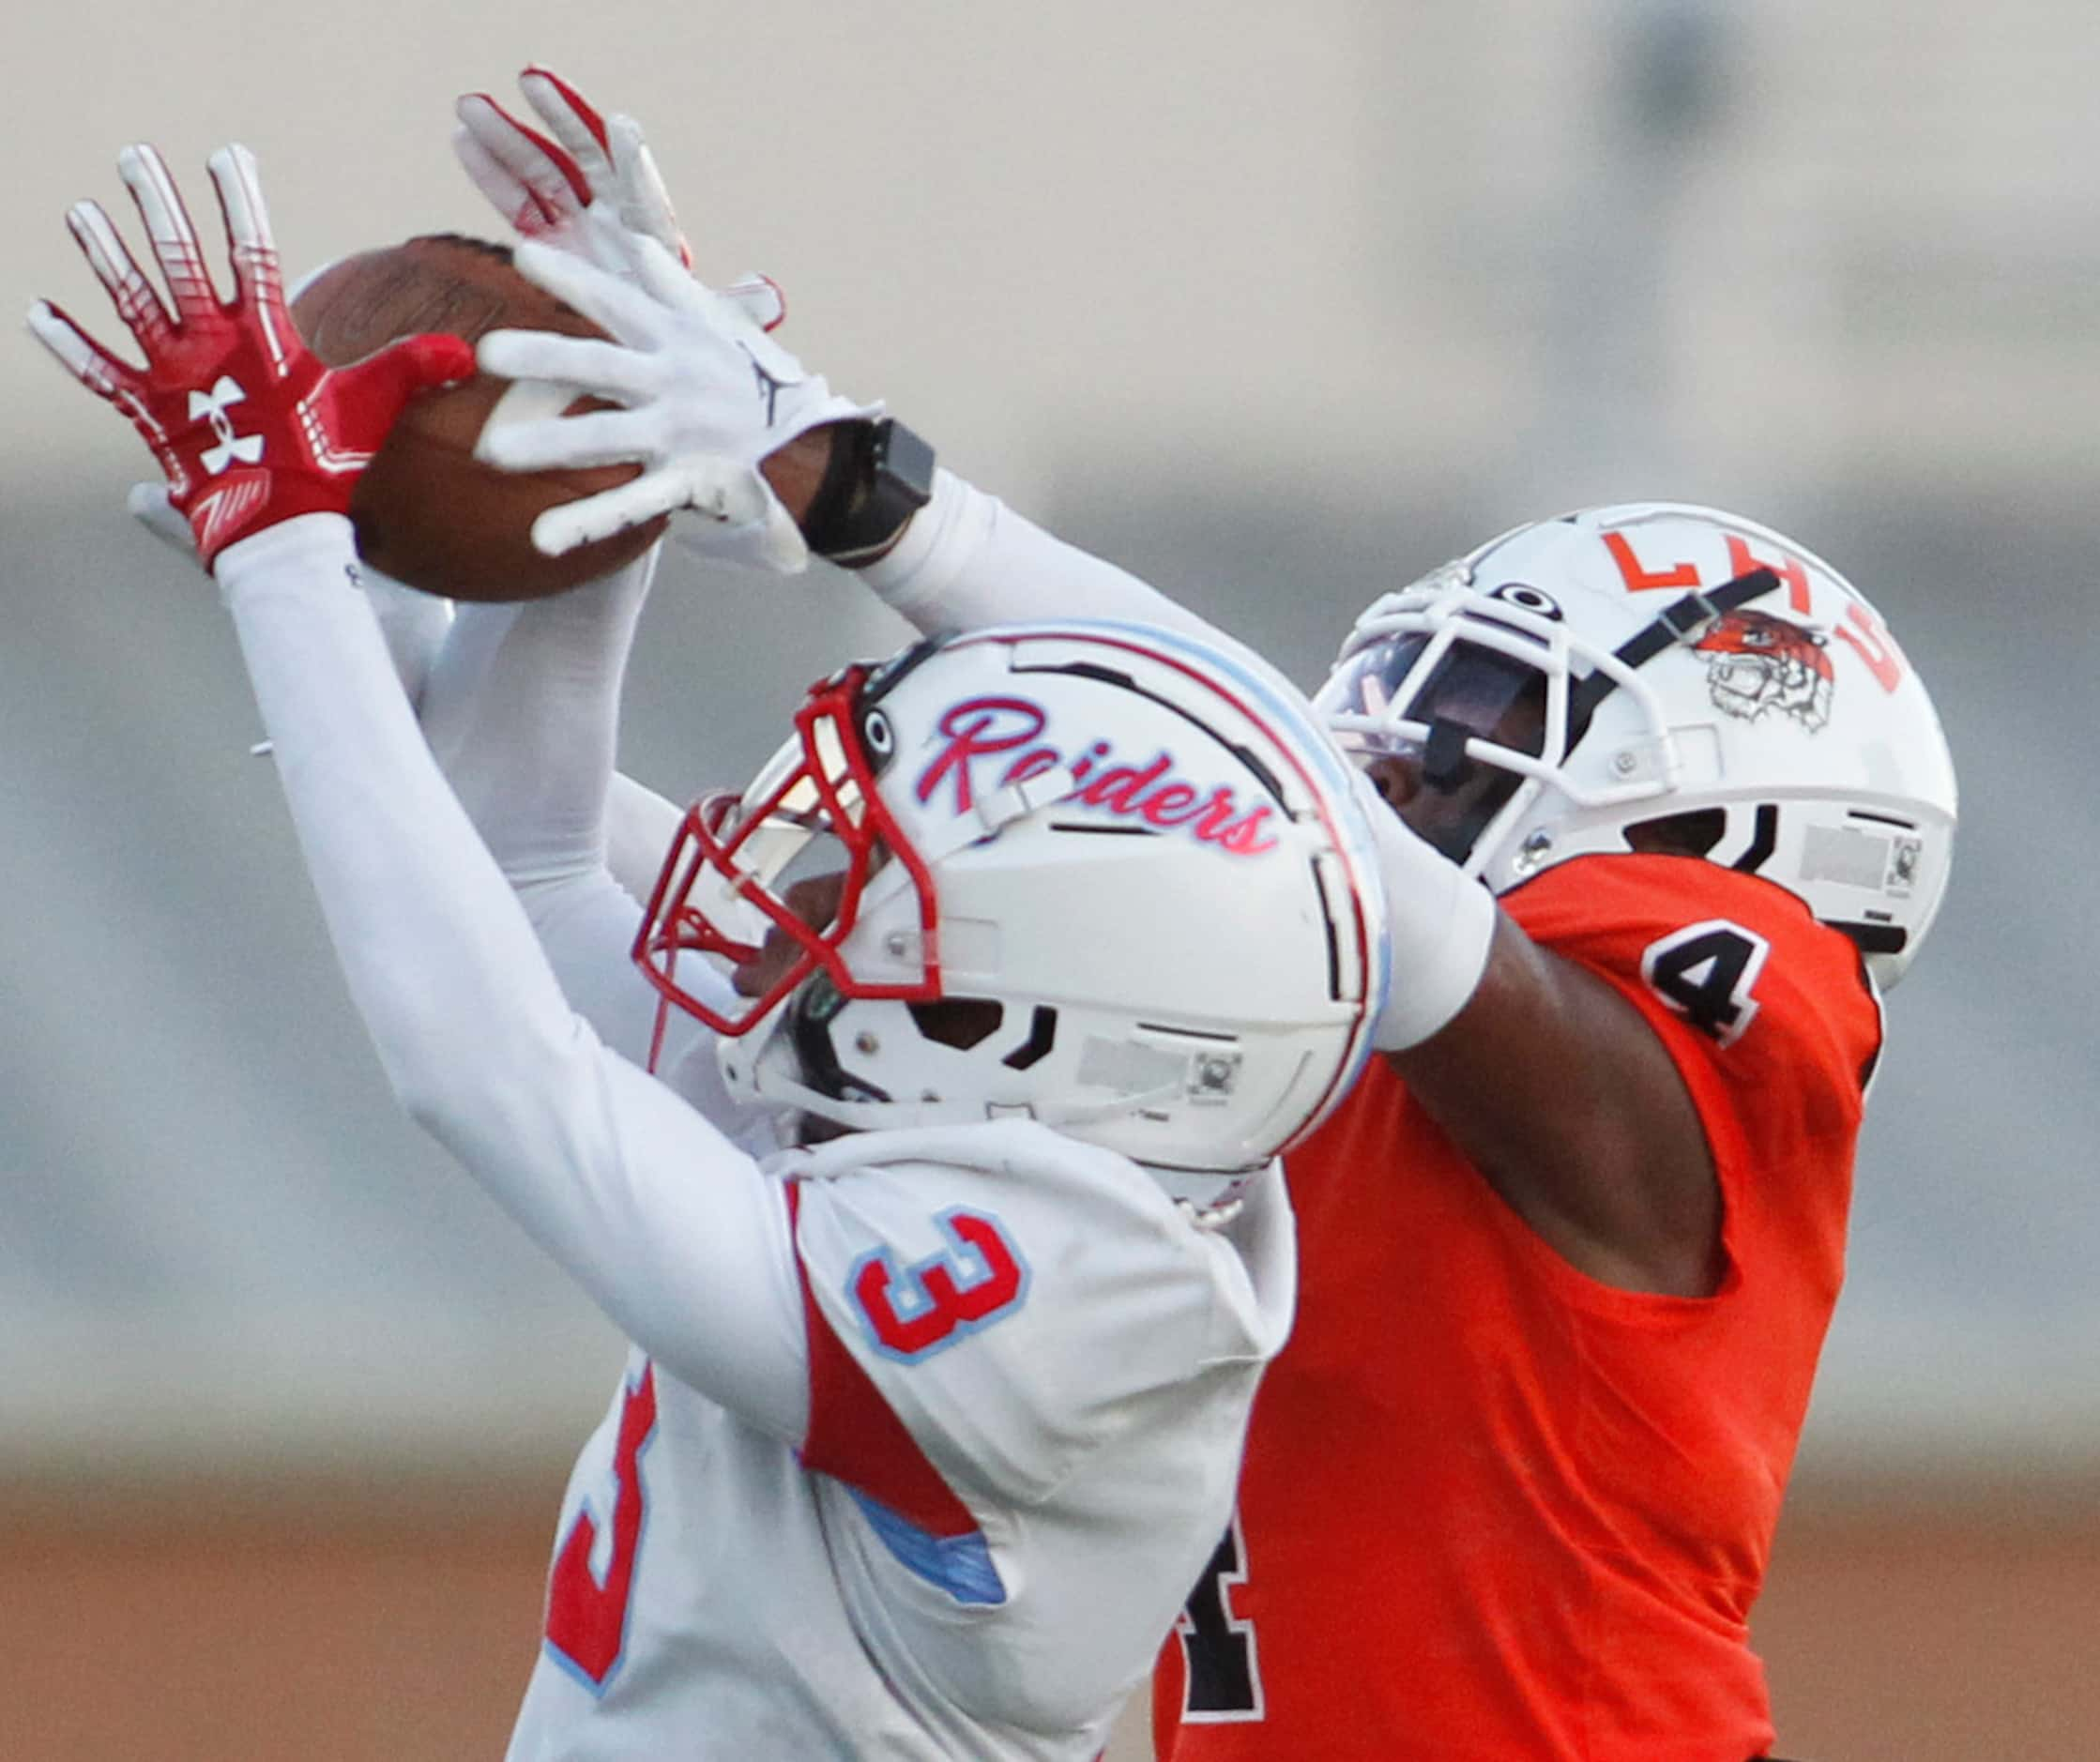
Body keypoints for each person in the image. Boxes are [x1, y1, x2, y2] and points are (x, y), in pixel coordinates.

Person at [452, 71, 1959, 1761]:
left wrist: (851, 477)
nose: (1378, 779)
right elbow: (567, 868)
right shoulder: (1251, 1031)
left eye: (1462, 745)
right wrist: (428, 544)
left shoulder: (1687, 1060)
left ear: (1709, 814)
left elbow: (1296, 817)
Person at [33, 139, 1410, 1761]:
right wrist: (614, 439)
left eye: (879, 868)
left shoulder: (1055, 1321)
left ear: (1048, 1006)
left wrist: (287, 566)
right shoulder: (990, 1133)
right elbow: (529, 862)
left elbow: (494, 1074)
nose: (807, 877)